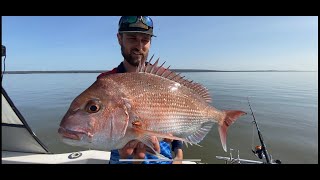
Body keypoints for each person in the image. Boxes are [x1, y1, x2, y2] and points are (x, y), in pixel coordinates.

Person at [97, 16, 184, 164]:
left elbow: (180, 115)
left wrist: (179, 154)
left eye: (145, 40)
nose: (139, 45)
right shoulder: (106, 82)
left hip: (161, 157)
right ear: (119, 38)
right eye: (132, 38)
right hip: (121, 157)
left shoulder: (165, 78)